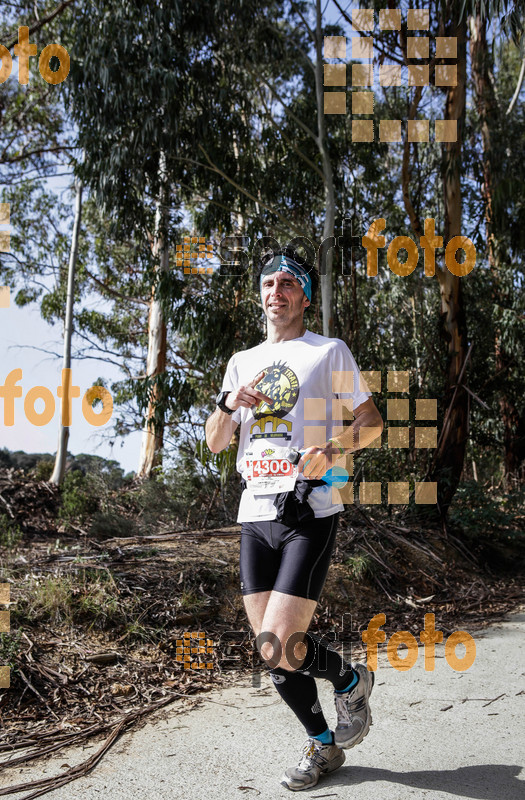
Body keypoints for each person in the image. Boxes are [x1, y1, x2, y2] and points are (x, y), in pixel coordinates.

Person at [205, 250, 384, 791]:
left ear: (304, 297)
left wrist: (331, 450)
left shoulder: (328, 351)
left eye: (289, 284)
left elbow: (371, 423)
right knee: (271, 651)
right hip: (254, 512)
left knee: (283, 640)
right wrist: (224, 401)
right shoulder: (240, 360)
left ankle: (350, 680)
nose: (276, 291)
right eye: (269, 283)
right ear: (260, 295)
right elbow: (215, 442)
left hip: (309, 508)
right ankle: (325, 743)